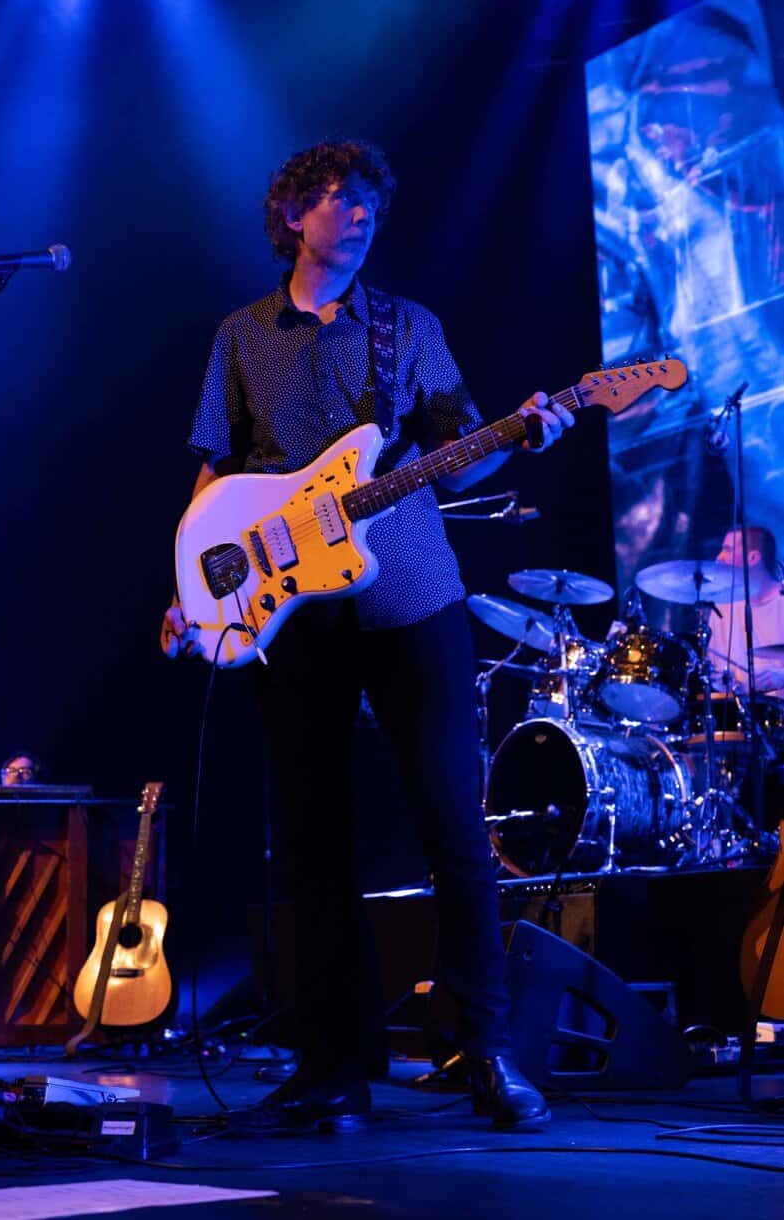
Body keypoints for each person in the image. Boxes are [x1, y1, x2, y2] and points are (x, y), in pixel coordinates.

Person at [161, 139, 574, 1131]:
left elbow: (456, 458)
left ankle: (482, 1049)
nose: (359, 216)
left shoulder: (409, 327)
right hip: (290, 613)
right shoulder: (241, 334)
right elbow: (213, 476)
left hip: (413, 595)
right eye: (340, 200)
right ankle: (330, 1069)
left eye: (369, 206)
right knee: (312, 843)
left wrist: (525, 431)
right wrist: (192, 588)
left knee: (454, 827)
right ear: (292, 214)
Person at [712, 525, 784, 696]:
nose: (719, 558)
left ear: (752, 558)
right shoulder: (722, 606)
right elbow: (716, 669)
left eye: (728, 550)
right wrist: (722, 681)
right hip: (740, 708)